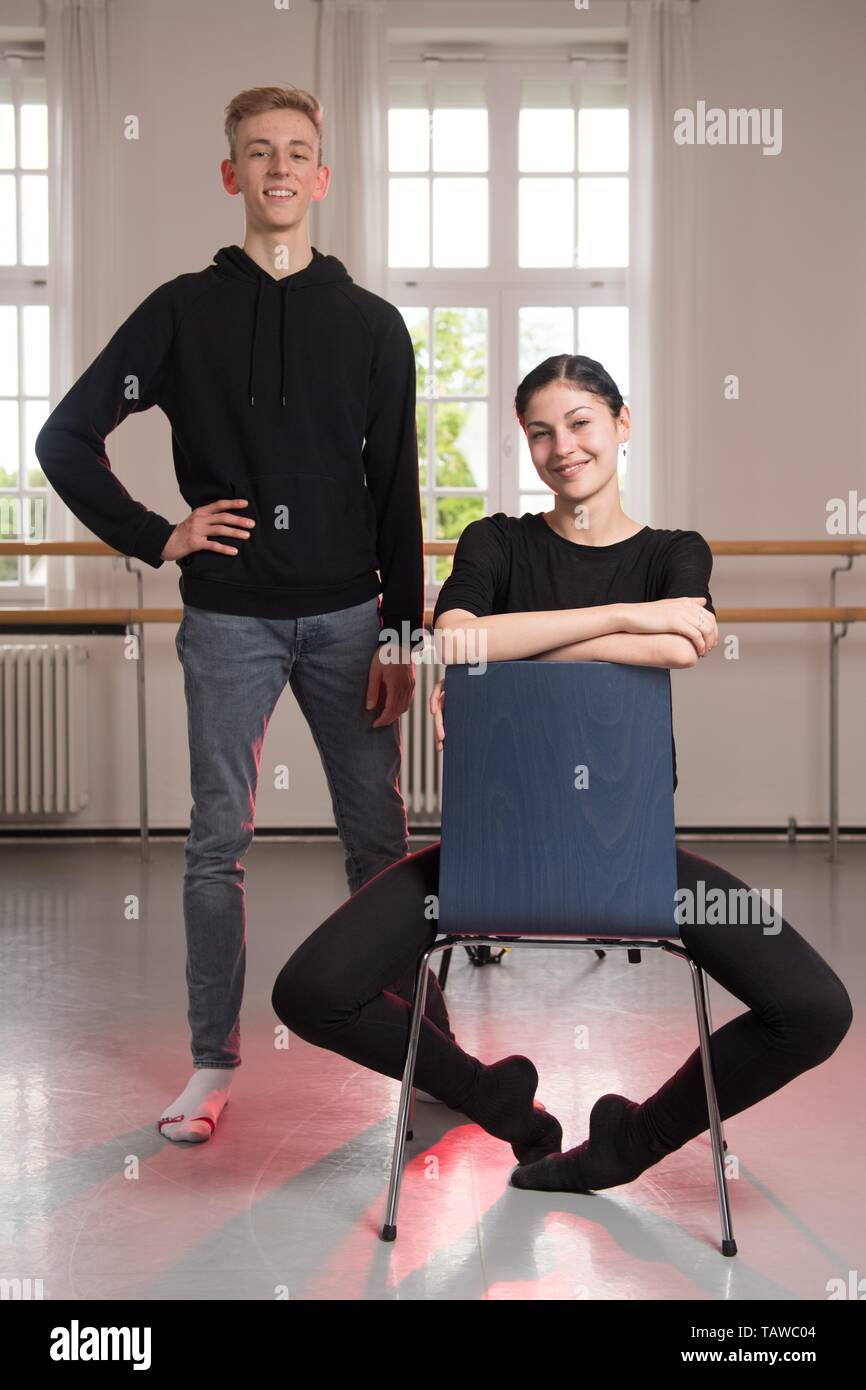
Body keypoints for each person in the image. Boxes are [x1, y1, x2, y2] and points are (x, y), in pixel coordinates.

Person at [271, 354, 853, 1189]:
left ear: (622, 423)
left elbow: (681, 645)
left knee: (815, 1010)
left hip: (630, 858)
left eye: (580, 421)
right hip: (485, 856)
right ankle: (491, 1096)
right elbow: (455, 641)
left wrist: (540, 638)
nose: (562, 446)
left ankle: (627, 1144)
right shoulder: (497, 541)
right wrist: (627, 617)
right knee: (310, 991)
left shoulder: (674, 552)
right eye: (540, 431)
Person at [34, 85, 450, 1145]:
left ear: (320, 176)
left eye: (296, 152)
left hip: (353, 619)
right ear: (231, 174)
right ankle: (211, 1063)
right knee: (215, 843)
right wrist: (154, 533)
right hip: (226, 619)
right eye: (256, 152)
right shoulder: (180, 310)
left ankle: (431, 1061)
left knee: (383, 849)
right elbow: (65, 438)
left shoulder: (370, 325)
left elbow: (398, 488)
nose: (276, 168)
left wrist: (403, 630)